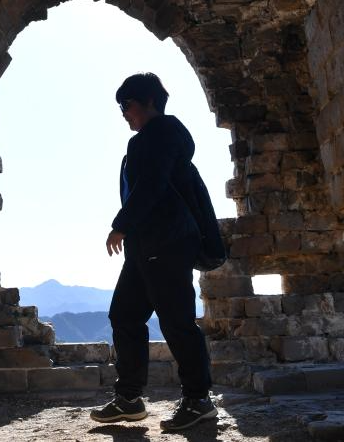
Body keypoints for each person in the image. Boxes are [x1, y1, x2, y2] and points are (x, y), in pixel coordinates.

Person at [89, 72, 217, 431]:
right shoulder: (147, 139)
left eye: (126, 104)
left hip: (167, 242)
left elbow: (152, 185)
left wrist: (122, 223)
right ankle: (129, 399)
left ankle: (198, 400)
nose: (123, 112)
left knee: (176, 320)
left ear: (148, 102)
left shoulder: (160, 134)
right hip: (146, 246)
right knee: (125, 316)